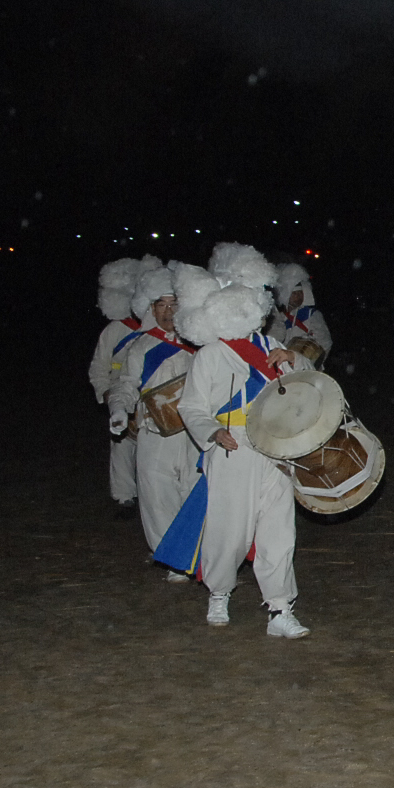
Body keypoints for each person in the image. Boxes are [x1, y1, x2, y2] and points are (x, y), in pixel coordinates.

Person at [155, 244, 312, 638]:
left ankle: (280, 609)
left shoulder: (273, 347)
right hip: (234, 446)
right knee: (230, 530)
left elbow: (309, 376)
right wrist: (212, 432)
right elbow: (192, 408)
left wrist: (293, 363)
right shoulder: (210, 355)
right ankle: (219, 593)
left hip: (275, 447)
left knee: (279, 531)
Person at [107, 259, 200, 571]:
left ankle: (199, 555)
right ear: (150, 308)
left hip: (194, 434)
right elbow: (126, 384)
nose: (168, 310)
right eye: (160, 303)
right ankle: (174, 561)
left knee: (194, 493)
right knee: (156, 497)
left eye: (174, 302)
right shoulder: (141, 347)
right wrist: (120, 409)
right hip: (154, 434)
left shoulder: (201, 345)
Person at [90, 256, 156, 516]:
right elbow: (99, 366)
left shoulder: (159, 329)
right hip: (122, 391)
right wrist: (106, 393)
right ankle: (124, 496)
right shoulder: (115, 329)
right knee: (121, 444)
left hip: (152, 395)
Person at [268, 262, 333, 368]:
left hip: (304, 366)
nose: (298, 297)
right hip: (283, 365)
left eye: (300, 293)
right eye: (294, 294)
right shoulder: (276, 315)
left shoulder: (312, 315)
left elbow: (325, 342)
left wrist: (314, 363)